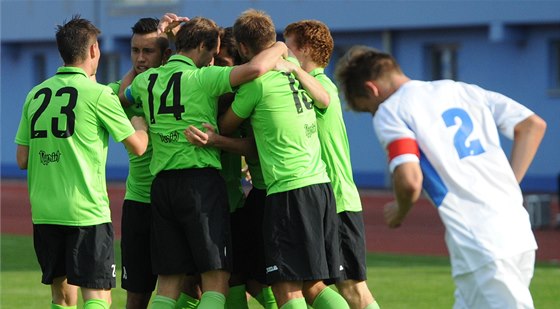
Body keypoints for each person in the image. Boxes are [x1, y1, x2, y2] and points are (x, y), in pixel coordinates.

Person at [334, 45, 546, 309]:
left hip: (479, 234)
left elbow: (410, 180)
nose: (375, 115)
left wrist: (399, 211)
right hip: (511, 224)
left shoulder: (392, 110)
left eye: (369, 109)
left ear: (371, 89)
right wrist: (508, 186)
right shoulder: (461, 90)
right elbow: (532, 125)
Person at [124, 16, 287, 309]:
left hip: (161, 188)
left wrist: (166, 39)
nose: (212, 60)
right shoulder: (204, 79)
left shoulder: (146, 80)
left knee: (169, 284)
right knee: (217, 280)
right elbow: (256, 68)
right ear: (202, 46)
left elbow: (125, 93)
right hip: (200, 185)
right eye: (212, 53)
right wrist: (279, 45)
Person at [14, 15, 149, 309]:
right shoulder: (99, 95)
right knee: (98, 296)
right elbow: (138, 147)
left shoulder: (35, 95)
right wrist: (141, 125)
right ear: (93, 50)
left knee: (61, 296)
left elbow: (22, 159)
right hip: (86, 212)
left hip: (45, 213)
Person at [219, 9, 349, 309]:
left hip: (288, 190)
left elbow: (226, 126)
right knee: (312, 284)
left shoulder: (255, 85)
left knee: (285, 288)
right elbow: (325, 99)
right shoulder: (292, 66)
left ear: (242, 48)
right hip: (319, 186)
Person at [283, 20, 380, 309]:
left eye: (288, 47)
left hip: (338, 200)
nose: (284, 55)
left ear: (306, 50)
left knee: (352, 288)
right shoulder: (307, 85)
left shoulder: (321, 86)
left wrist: (294, 70)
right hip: (324, 200)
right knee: (306, 284)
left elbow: (322, 98)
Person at [107, 17, 172, 309]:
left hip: (174, 201)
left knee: (190, 288)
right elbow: (116, 98)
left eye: (149, 51)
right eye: (135, 51)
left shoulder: (183, 87)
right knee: (137, 295)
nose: (141, 58)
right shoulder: (115, 93)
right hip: (139, 203)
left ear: (165, 54)